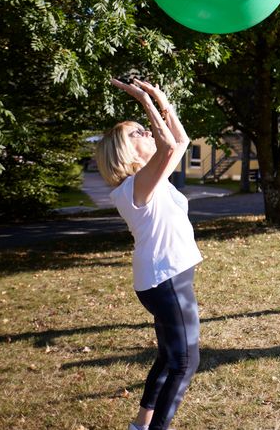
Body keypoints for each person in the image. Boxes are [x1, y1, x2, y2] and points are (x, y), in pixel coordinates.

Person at [94, 78, 202, 430]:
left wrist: (159, 97)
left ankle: (141, 424)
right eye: (138, 132)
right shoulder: (133, 188)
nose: (146, 133)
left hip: (163, 277)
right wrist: (144, 100)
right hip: (165, 280)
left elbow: (180, 141)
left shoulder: (148, 180)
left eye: (144, 129)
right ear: (126, 151)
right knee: (185, 362)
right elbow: (169, 146)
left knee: (170, 356)